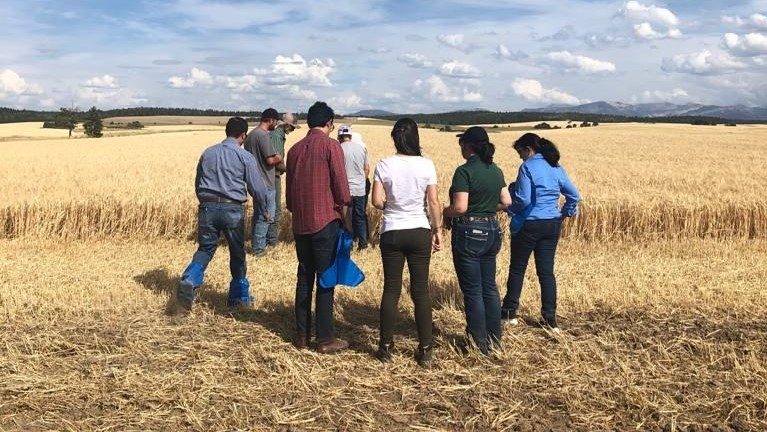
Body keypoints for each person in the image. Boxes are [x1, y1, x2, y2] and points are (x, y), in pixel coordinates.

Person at [177, 117, 269, 311]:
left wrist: (205, 202)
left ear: (226, 132)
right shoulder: (244, 156)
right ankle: (238, 297)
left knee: (205, 249)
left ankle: (189, 278)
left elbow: (198, 183)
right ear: (243, 135)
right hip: (232, 209)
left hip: (207, 207)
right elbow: (257, 188)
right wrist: (264, 209)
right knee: (237, 252)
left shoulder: (207, 153)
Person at [371, 118, 441, 367]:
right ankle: (425, 349)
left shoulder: (384, 164)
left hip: (392, 230)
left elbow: (376, 201)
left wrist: (392, 206)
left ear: (394, 138)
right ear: (416, 138)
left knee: (391, 289)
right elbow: (433, 202)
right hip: (420, 229)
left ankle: (386, 348)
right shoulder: (426, 165)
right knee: (421, 291)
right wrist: (438, 229)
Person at [286, 101, 352, 354]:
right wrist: (346, 221)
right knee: (326, 278)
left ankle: (301, 335)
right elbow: (342, 191)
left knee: (304, 278)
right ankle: (325, 339)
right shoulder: (330, 146)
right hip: (325, 223)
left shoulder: (294, 150)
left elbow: (290, 198)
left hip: (300, 224)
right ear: (329, 124)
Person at [501, 133, 580, 333]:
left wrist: (510, 209)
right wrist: (565, 212)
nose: (519, 157)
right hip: (551, 224)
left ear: (528, 149)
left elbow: (524, 199)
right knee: (546, 271)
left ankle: (509, 314)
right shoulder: (555, 166)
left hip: (529, 224)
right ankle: (550, 319)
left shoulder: (527, 167)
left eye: (520, 152)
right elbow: (574, 195)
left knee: (518, 269)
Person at [443, 126, 511, 355]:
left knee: (472, 290)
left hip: (470, 232)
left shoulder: (464, 172)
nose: (460, 147)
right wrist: (485, 208)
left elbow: (460, 207)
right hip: (492, 230)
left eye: (462, 143)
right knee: (489, 287)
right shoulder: (495, 170)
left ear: (468, 145)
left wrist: (445, 212)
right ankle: (495, 338)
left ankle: (478, 342)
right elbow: (507, 201)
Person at [244, 108, 282, 256]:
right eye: (275, 121)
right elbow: (270, 159)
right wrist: (279, 157)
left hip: (254, 181)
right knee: (266, 216)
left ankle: (256, 244)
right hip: (266, 182)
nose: (275, 124)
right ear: (270, 120)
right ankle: (259, 249)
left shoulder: (251, 135)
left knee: (259, 214)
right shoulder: (263, 136)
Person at [268, 112, 300, 247]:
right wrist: (290, 170)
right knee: (275, 210)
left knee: (272, 209)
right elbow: (276, 159)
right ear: (286, 125)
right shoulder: (277, 136)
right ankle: (272, 241)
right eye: (292, 127)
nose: (292, 130)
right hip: (273, 176)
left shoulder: (279, 136)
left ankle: (270, 240)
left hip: (274, 175)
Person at [338, 124, 370, 250]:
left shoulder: (338, 148)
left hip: (345, 190)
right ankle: (363, 244)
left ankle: (348, 245)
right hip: (360, 189)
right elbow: (366, 169)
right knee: (360, 217)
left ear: (340, 136)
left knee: (346, 219)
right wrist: (361, 180)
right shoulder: (361, 148)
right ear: (350, 136)